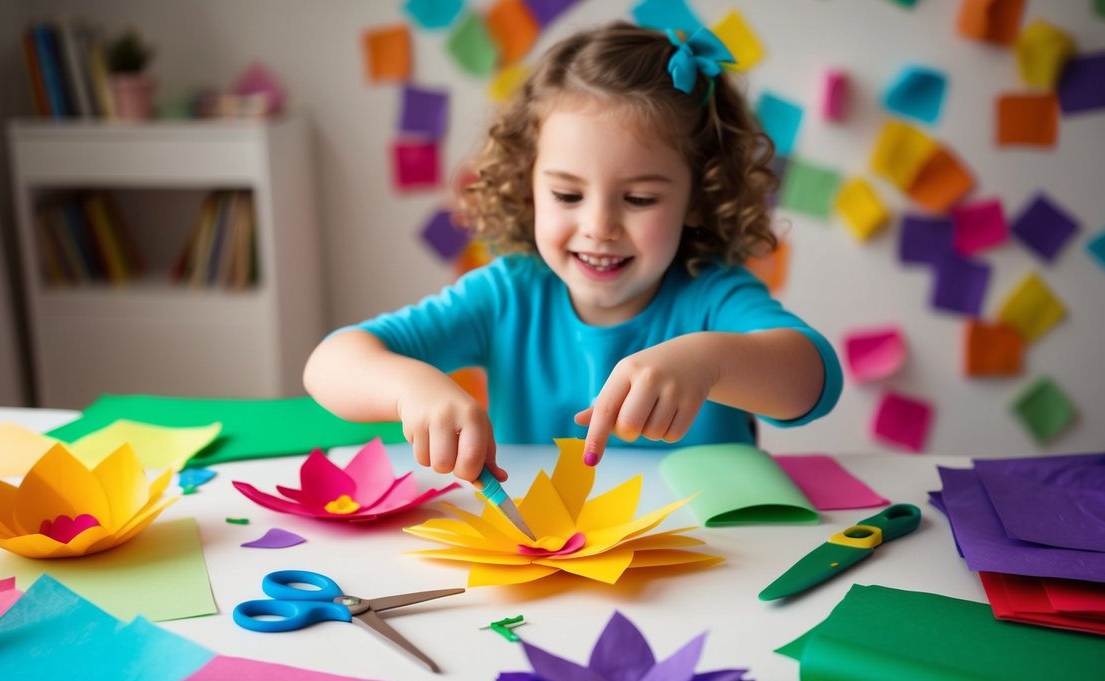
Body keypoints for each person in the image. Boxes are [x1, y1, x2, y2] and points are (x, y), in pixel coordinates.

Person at [304, 22, 842, 485]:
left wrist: (711, 361)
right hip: (546, 567)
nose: (599, 226)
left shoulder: (712, 294)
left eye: (639, 199)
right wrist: (409, 388)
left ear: (697, 200)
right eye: (567, 195)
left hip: (714, 565)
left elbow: (813, 382)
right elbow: (330, 364)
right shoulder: (508, 293)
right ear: (526, 186)